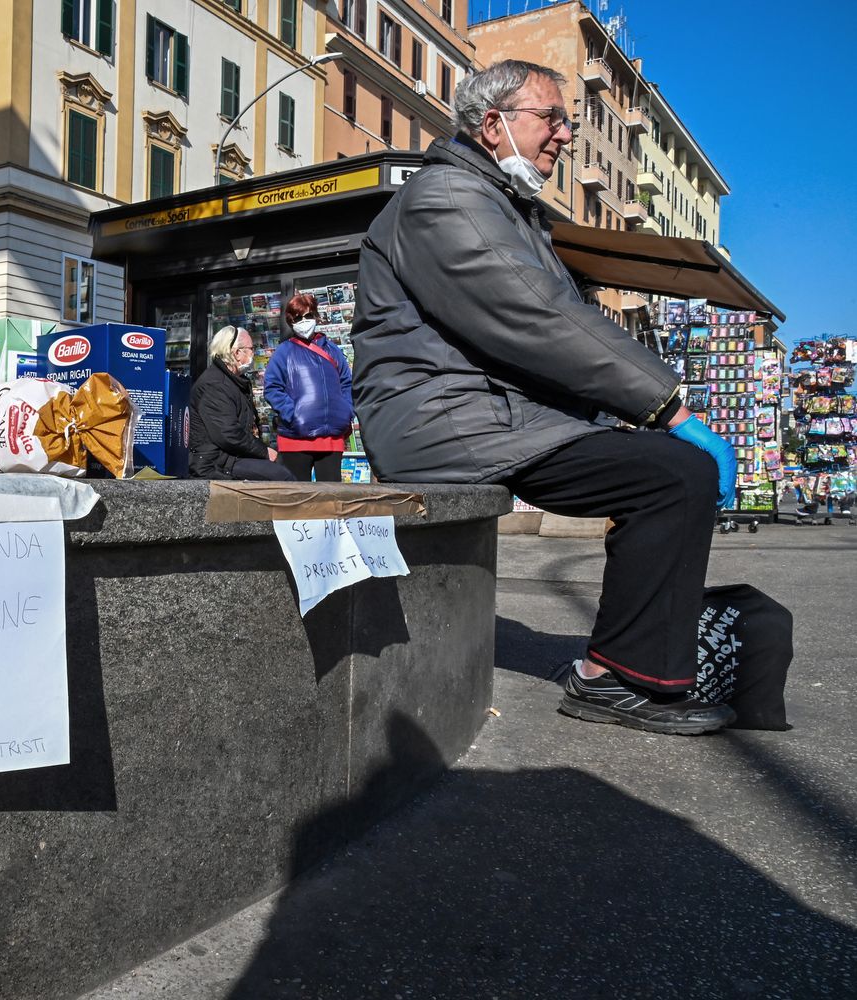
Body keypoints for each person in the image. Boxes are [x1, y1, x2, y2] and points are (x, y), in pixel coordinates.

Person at [352, 59, 739, 736]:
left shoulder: (498, 203)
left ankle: (633, 665)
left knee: (671, 473)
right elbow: (539, 320)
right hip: (445, 420)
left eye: (568, 119)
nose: (564, 134)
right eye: (550, 117)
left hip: (481, 412)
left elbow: (543, 325)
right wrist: (669, 408)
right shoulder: (448, 200)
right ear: (492, 123)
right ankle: (613, 676)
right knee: (674, 475)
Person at [262, 293, 354, 482]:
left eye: (308, 316)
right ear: (291, 321)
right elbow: (272, 388)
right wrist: (293, 414)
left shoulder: (333, 350)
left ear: (316, 317)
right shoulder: (284, 352)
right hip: (295, 439)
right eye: (298, 318)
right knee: (295, 502)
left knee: (331, 501)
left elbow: (347, 383)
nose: (304, 321)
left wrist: (346, 411)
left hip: (331, 439)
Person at [188, 326, 295, 481]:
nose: (254, 353)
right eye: (251, 348)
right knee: (282, 476)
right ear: (237, 353)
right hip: (215, 462)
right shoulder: (215, 385)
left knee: (281, 466)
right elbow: (228, 434)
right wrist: (264, 452)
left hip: (230, 457)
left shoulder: (235, 381)